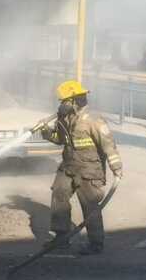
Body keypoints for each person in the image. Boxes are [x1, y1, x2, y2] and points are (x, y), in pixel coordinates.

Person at [37, 80, 123, 255]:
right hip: (68, 166)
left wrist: (116, 168)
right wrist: (46, 132)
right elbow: (60, 139)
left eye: (64, 101)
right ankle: (61, 238)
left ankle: (95, 243)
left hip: (89, 170)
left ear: (75, 100)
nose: (61, 105)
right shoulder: (65, 118)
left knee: (90, 206)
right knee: (59, 195)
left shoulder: (94, 120)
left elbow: (108, 145)